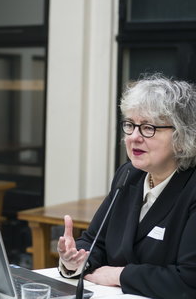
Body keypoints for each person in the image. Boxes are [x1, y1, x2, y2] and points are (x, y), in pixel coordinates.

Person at [57, 74, 196, 299]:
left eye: (148, 127)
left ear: (182, 136)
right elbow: (94, 242)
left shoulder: (191, 189)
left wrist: (119, 276)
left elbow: (189, 280)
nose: (134, 137)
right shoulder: (129, 175)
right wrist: (75, 260)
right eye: (130, 125)